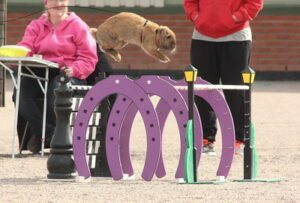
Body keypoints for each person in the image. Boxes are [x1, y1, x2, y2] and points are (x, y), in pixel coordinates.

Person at [15, 0, 98, 153]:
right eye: (54, 0)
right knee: (21, 90)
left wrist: (74, 69)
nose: (59, 3)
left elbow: (89, 58)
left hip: (69, 73)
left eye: (63, 0)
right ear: (46, 4)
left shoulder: (78, 26)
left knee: (57, 89)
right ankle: (48, 134)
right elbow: (26, 47)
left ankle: (57, 137)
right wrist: (16, 52)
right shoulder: (35, 25)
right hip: (40, 70)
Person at [183, 0, 263, 155]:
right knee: (203, 90)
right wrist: (197, 16)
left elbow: (255, 3)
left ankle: (238, 140)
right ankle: (205, 140)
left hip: (236, 37)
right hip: (202, 36)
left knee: (236, 91)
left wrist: (235, 17)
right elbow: (190, 2)